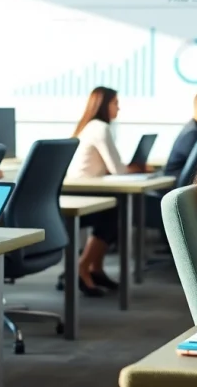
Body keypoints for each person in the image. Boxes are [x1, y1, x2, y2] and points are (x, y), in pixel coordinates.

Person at [65, 86, 132, 297]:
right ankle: (83, 267)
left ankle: (95, 268)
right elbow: (118, 170)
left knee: (114, 209)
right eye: (115, 103)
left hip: (80, 189)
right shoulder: (100, 128)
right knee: (113, 211)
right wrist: (136, 168)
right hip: (80, 194)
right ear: (104, 105)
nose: (119, 108)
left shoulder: (90, 126)